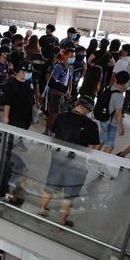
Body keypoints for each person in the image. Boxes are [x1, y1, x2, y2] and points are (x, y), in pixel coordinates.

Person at [38, 95, 100, 227]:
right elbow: (93, 147)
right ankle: (61, 222)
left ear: (77, 103)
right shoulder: (91, 125)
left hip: (58, 156)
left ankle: (42, 209)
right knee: (69, 193)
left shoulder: (61, 116)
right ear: (89, 110)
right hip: (77, 161)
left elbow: (54, 134)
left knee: (51, 184)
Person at [43, 48, 75, 135]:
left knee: (58, 114)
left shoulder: (70, 68)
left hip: (63, 94)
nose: (72, 58)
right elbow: (52, 81)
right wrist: (64, 90)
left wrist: (69, 91)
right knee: (54, 114)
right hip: (54, 93)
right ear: (65, 56)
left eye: (73, 56)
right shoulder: (58, 67)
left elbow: (69, 81)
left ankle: (52, 130)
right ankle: (47, 130)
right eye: (71, 56)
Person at [97, 71, 129, 154]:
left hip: (104, 118)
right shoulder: (119, 96)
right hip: (110, 123)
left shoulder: (111, 88)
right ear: (125, 82)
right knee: (110, 145)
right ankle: (101, 162)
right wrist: (121, 128)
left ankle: (92, 156)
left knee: (102, 140)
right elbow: (118, 114)